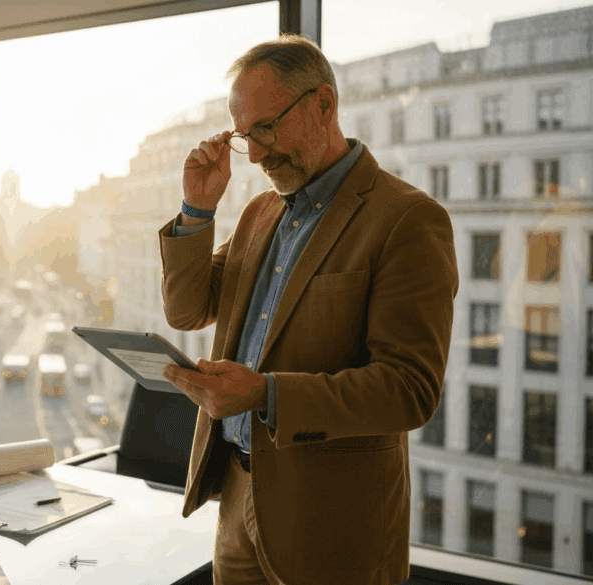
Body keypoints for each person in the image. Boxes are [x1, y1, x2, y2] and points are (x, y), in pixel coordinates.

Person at [159, 34, 458, 585]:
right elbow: (188, 309)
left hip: (333, 525)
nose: (260, 153)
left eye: (268, 128)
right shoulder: (258, 214)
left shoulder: (408, 219)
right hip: (238, 500)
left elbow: (410, 390)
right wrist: (197, 209)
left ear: (325, 104)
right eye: (247, 137)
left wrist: (263, 393)